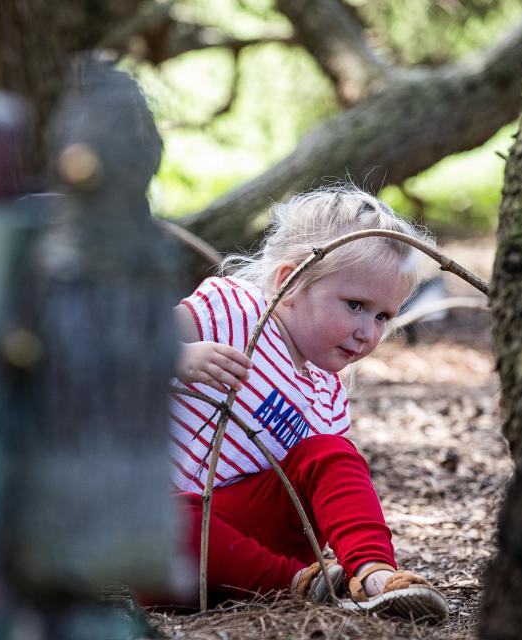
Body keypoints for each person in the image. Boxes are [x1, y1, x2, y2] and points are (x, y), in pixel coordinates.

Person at [168, 185, 450, 623]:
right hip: (169, 543)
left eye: (382, 316)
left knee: (333, 453)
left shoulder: (328, 398)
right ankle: (296, 583)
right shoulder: (232, 311)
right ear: (289, 282)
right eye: (355, 304)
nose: (368, 332)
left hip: (254, 538)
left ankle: (374, 575)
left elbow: (329, 495)